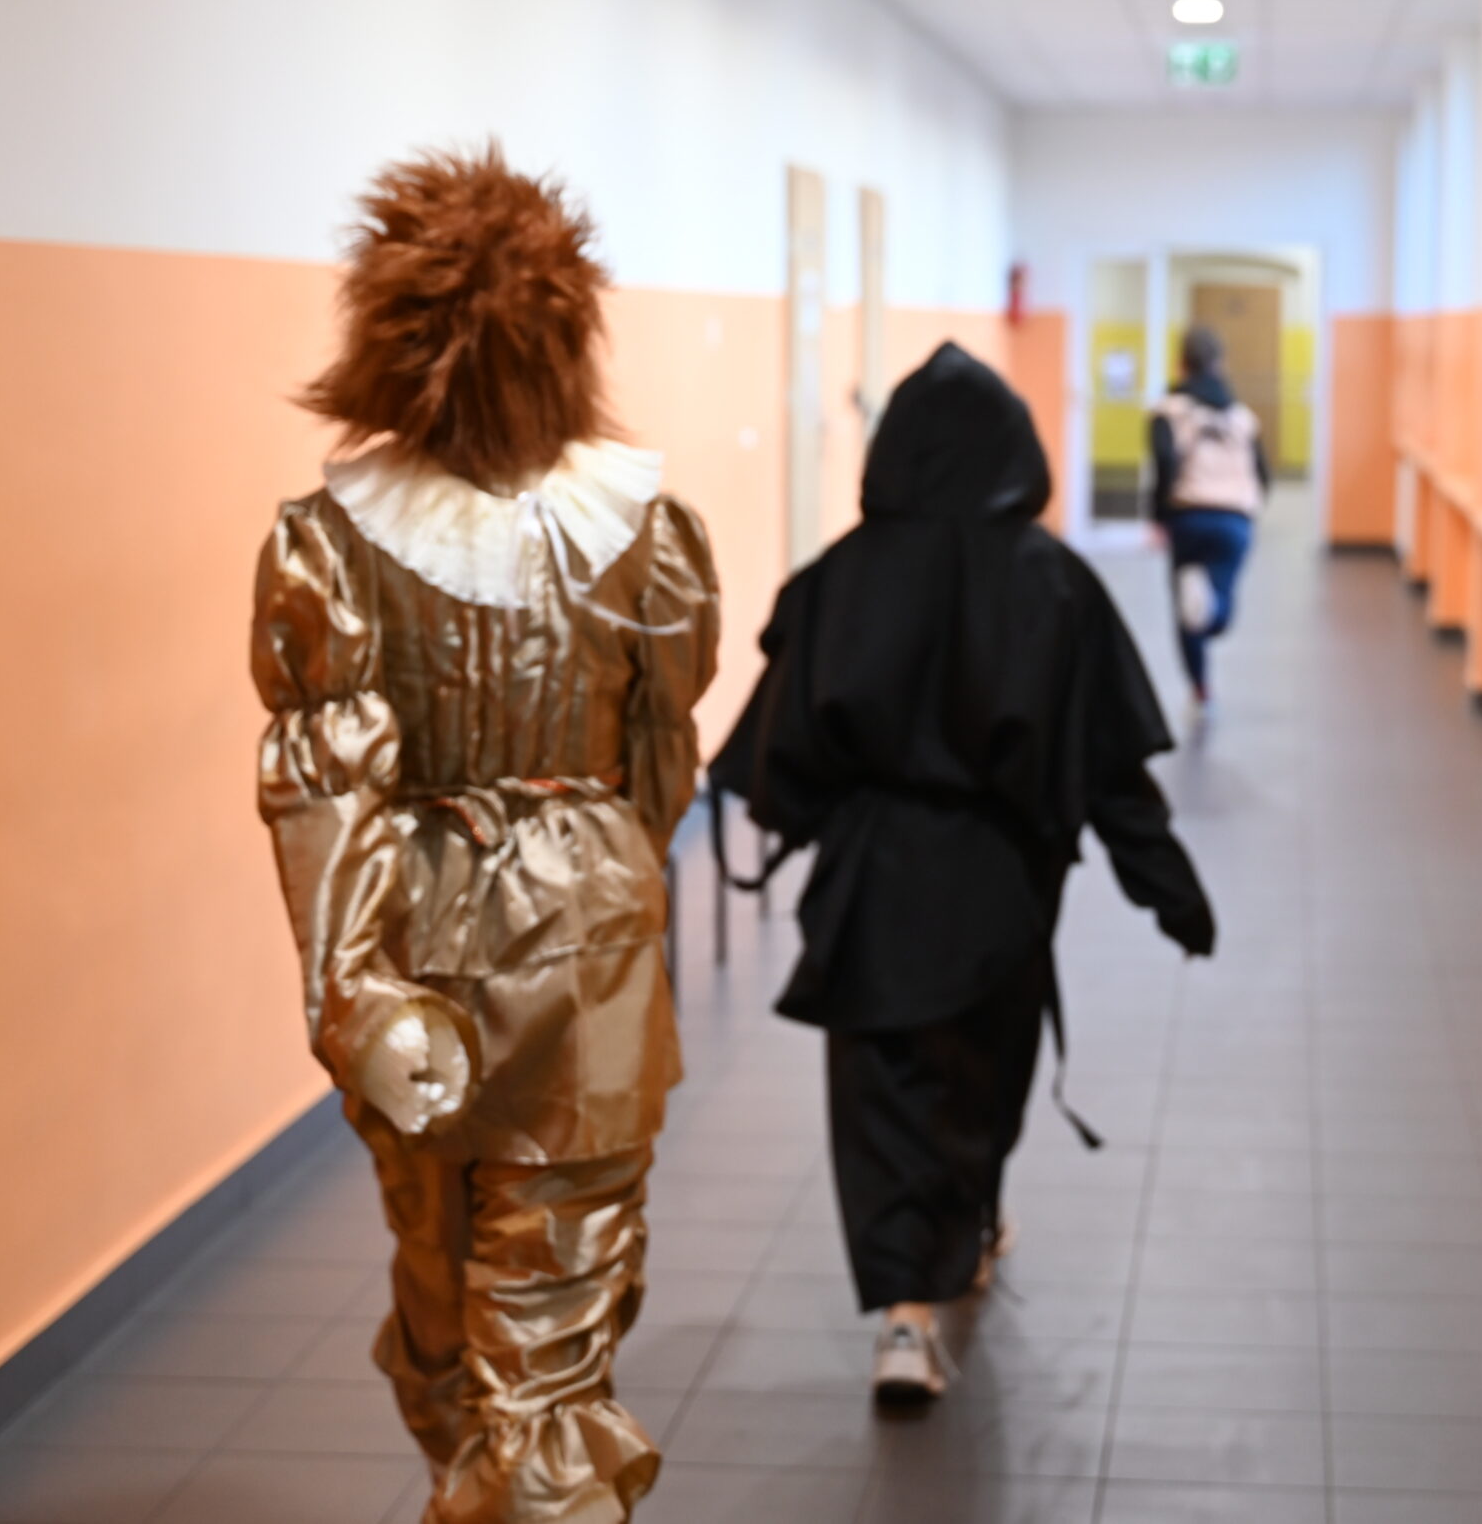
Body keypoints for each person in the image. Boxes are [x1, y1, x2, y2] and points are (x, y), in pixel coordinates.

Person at [252, 145, 718, 1524]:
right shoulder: (644, 530)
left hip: (412, 952)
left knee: (453, 1289)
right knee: (533, 1310)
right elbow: (662, 753)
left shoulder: (329, 541)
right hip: (589, 950)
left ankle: (488, 1489)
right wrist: (595, 867)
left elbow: (325, 793)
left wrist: (351, 988)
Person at [709, 342, 1215, 1405]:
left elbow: (780, 758)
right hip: (999, 883)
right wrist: (1168, 889)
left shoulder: (841, 577)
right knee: (980, 1080)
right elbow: (1109, 767)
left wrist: (816, 813)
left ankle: (905, 1313)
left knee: (881, 1093)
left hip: (872, 885)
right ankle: (969, 1228)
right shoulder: (1052, 581)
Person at [1149, 325, 1269, 708]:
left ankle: (1200, 687)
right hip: (1235, 519)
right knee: (1218, 601)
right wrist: (1251, 508)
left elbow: (1163, 463)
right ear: (1219, 364)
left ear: (1181, 364)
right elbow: (1262, 473)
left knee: (1187, 612)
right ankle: (1215, 609)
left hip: (1188, 516)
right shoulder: (1242, 417)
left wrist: (1158, 516)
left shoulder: (1168, 411)